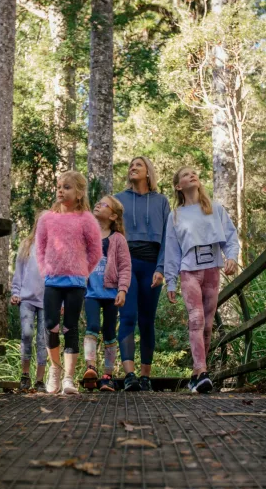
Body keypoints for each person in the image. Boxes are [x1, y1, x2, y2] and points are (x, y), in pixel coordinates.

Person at [164, 166, 239, 394]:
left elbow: (230, 236)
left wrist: (232, 258)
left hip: (212, 271)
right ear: (179, 186)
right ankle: (202, 371)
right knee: (195, 319)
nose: (191, 175)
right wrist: (171, 281)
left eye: (193, 173)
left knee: (207, 325)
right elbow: (172, 250)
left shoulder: (214, 208)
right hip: (189, 272)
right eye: (185, 174)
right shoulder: (175, 215)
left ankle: (196, 376)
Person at [35, 171, 102, 394]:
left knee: (70, 327)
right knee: (51, 324)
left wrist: (83, 273)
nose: (61, 190)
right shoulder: (47, 218)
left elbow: (95, 251)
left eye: (67, 187)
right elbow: (40, 248)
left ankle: (68, 378)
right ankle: (54, 370)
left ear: (80, 192)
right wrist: (46, 270)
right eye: (59, 186)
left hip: (76, 282)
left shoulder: (86, 220)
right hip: (53, 280)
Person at [114, 156, 171, 392]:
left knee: (147, 321)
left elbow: (169, 237)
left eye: (138, 165)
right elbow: (108, 231)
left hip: (151, 265)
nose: (133, 168)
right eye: (131, 165)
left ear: (148, 172)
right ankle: (130, 375)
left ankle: (146, 376)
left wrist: (161, 268)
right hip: (126, 263)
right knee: (127, 317)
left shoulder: (161, 201)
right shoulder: (118, 200)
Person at [81, 196, 131, 392]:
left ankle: (107, 376)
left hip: (111, 293)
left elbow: (125, 267)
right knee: (92, 326)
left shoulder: (118, 239)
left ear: (112, 215)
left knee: (109, 332)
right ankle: (90, 368)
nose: (97, 205)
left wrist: (122, 290)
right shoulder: (88, 236)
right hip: (91, 292)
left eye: (103, 204)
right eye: (98, 202)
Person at [10, 212, 47, 392]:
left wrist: (61, 303)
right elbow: (19, 271)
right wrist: (16, 292)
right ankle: (25, 375)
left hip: (48, 301)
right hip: (26, 298)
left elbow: (58, 277)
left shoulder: (55, 247)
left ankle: (40, 380)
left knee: (43, 339)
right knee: (26, 333)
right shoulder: (27, 244)